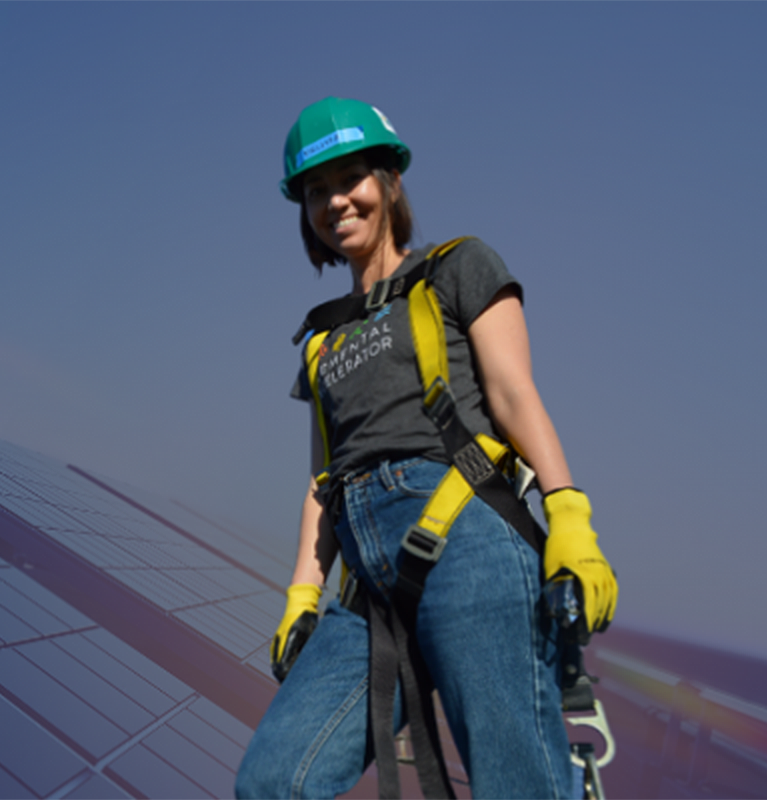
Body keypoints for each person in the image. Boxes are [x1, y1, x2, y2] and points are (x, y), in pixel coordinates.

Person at [234, 97, 618, 800]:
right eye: (315, 191)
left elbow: (512, 394)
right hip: (365, 590)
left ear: (390, 181)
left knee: (515, 785)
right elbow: (324, 478)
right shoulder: (321, 341)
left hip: (465, 540)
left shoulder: (458, 267)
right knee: (275, 782)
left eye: (349, 179)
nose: (333, 201)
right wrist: (301, 594)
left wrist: (569, 516)